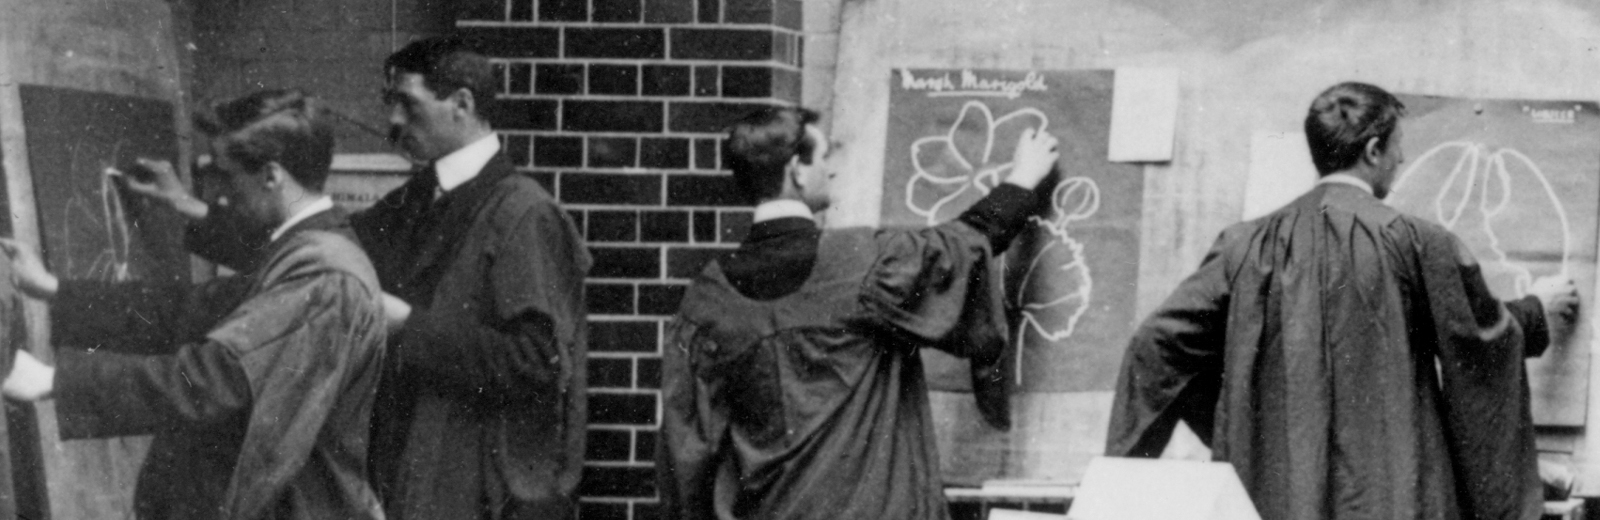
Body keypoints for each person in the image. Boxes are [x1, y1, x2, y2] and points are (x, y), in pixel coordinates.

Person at [122, 36, 590, 519]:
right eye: (390, 105)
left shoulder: (525, 212)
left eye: (407, 105)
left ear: (462, 104)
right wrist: (188, 208)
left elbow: (540, 363)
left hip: (474, 491)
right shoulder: (423, 195)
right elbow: (319, 243)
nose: (393, 122)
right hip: (413, 474)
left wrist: (405, 323)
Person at [1104, 81, 1581, 520]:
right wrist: (1536, 311)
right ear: (1374, 151)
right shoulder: (1415, 240)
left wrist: (1238, 423)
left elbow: (1156, 346)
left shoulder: (1242, 245)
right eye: (1398, 150)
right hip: (1394, 494)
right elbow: (1477, 341)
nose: (1399, 161)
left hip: (1274, 493)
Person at [0, 89, 387, 520]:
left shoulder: (323, 276)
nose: (217, 193)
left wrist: (56, 381)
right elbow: (187, 309)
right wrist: (54, 288)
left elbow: (219, 378)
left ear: (272, 176)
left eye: (225, 173)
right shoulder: (301, 252)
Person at [657, 106, 1060, 520]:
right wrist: (1022, 179)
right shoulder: (859, 262)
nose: (831, 169)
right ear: (797, 170)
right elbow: (963, 246)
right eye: (825, 156)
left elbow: (686, 458)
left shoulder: (707, 299)